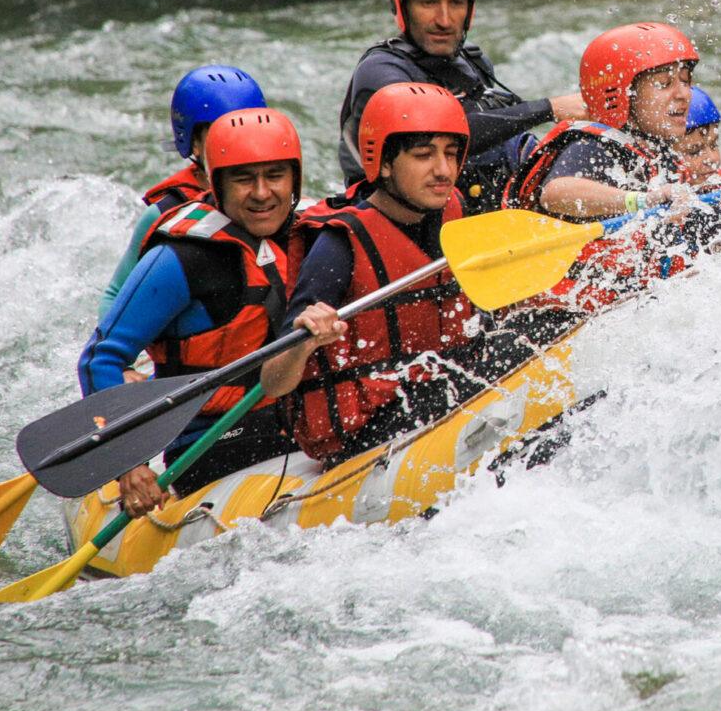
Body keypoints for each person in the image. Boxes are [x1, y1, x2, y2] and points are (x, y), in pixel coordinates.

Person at [77, 108, 342, 516]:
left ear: (295, 180)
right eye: (243, 179)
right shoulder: (179, 259)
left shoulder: (318, 236)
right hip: (214, 444)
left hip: (307, 427)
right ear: (217, 184)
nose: (261, 193)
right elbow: (101, 358)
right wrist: (129, 463)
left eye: (274, 176)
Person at [260, 83, 490, 465]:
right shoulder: (339, 245)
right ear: (382, 163)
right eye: (423, 155)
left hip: (437, 388)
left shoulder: (456, 211)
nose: (443, 170)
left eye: (451, 154)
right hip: (368, 427)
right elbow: (272, 381)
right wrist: (306, 341)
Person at [503, 23, 721, 312]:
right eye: (664, 84)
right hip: (555, 322)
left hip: (624, 314)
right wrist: (641, 200)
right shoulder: (592, 146)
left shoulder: (662, 160)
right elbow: (556, 193)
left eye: (685, 80)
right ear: (620, 94)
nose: (683, 95)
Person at [336, 0, 587, 211]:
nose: (444, 20)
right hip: (396, 224)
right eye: (428, 2)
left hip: (472, 216)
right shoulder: (381, 72)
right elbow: (443, 136)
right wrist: (547, 108)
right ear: (400, 6)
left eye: (456, 3)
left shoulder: (473, 65)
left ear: (470, 10)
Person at [99, 65, 266, 313]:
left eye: (247, 131)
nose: (237, 143)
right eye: (222, 133)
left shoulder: (275, 195)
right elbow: (115, 295)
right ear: (194, 143)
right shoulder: (164, 214)